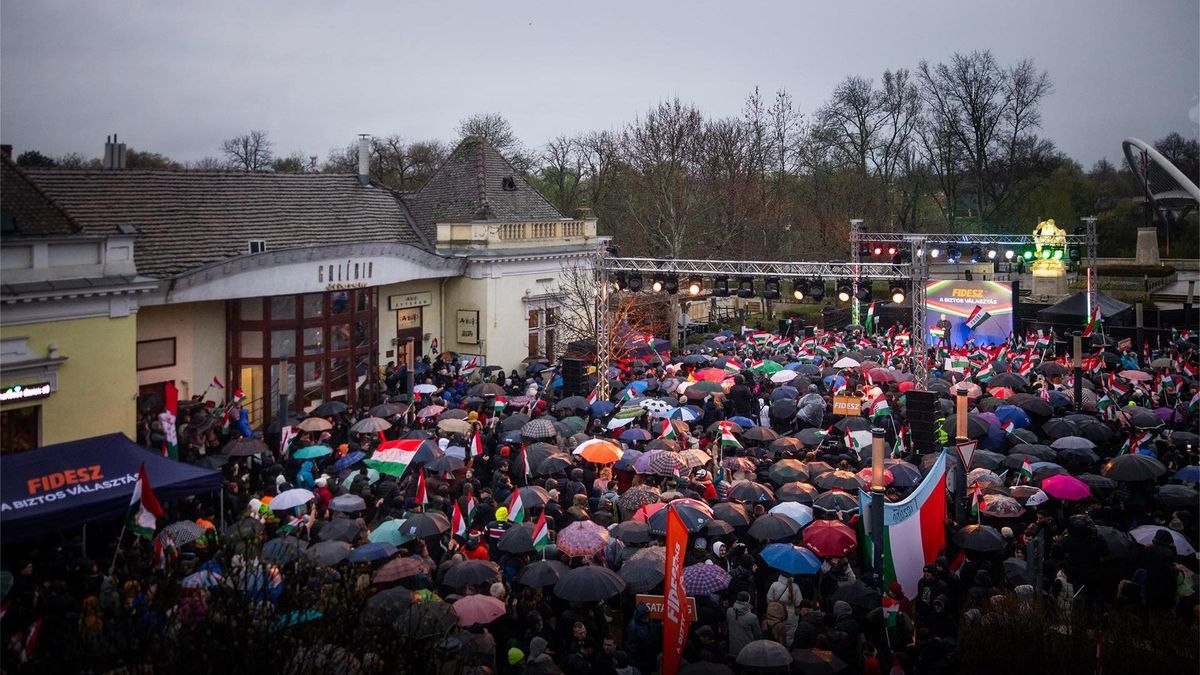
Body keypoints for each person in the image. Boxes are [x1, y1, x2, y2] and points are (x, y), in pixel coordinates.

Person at [725, 590, 760, 659]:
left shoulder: (729, 611)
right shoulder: (752, 617)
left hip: (732, 650)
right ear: (748, 601)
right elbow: (757, 635)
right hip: (747, 652)